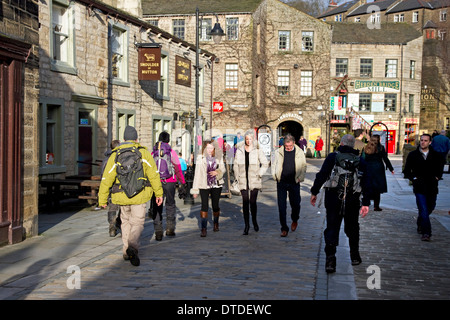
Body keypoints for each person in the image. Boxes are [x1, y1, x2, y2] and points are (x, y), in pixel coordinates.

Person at [98, 126, 163, 266]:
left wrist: (102, 199)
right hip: (140, 194)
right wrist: (159, 193)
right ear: (136, 139)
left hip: (121, 195)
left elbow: (106, 178)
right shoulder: (143, 153)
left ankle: (125, 250)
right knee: (138, 222)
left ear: (123, 139)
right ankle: (132, 246)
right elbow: (153, 175)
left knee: (125, 222)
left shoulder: (115, 154)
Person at [310, 134, 370, 273]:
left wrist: (314, 192)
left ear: (341, 144)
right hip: (352, 199)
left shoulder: (333, 157)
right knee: (353, 227)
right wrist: (366, 203)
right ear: (353, 145)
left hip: (333, 198)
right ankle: (355, 256)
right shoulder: (360, 160)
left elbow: (322, 175)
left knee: (332, 227)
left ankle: (330, 260)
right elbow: (367, 183)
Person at [403, 134, 444, 241]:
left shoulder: (436, 155)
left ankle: (420, 222)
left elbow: (440, 169)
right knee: (424, 209)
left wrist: (437, 177)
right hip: (419, 187)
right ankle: (426, 233)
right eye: (421, 140)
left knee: (430, 207)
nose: (423, 142)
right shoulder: (413, 155)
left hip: (432, 186)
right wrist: (414, 178)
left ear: (430, 142)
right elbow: (406, 171)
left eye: (425, 140)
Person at [150, 132, 186, 241]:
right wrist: (182, 182)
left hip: (156, 182)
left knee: (157, 206)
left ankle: (158, 231)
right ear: (168, 140)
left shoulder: (153, 153)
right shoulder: (171, 152)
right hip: (169, 182)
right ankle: (170, 228)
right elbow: (178, 169)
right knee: (170, 204)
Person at [233, 130, 270, 235]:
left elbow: (265, 164)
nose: (248, 141)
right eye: (247, 139)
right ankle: (246, 225)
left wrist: (260, 173)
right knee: (245, 202)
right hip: (243, 179)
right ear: (244, 139)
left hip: (254, 179)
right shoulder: (240, 150)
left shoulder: (257, 151)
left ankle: (254, 220)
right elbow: (235, 165)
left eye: (250, 139)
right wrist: (237, 176)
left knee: (252, 202)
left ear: (253, 139)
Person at [272, 133, 307, 237]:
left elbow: (303, 166)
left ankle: (295, 219)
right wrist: (275, 176)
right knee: (281, 206)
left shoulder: (300, 152)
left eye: (290, 146)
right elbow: (273, 164)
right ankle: (284, 228)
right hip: (281, 182)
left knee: (296, 204)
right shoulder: (277, 152)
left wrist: (301, 177)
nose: (288, 148)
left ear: (294, 143)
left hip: (294, 182)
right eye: (286, 146)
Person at [191, 140, 226, 237]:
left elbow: (223, 169)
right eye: (208, 148)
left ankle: (216, 223)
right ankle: (203, 228)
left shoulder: (218, 157)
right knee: (204, 206)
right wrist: (195, 189)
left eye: (211, 148)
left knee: (215, 205)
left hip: (216, 184)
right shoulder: (200, 158)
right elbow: (197, 174)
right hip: (204, 184)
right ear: (204, 148)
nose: (209, 150)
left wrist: (217, 172)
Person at [361, 136, 394, 211]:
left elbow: (363, 158)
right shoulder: (381, 148)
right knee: (377, 188)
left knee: (368, 186)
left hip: (368, 168)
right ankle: (376, 206)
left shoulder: (366, 147)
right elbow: (385, 158)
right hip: (378, 169)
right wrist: (391, 168)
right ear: (378, 140)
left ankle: (367, 203)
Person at [101, 139, 121, 237]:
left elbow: (103, 175)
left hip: (110, 186)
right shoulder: (120, 158)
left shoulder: (106, 159)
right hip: (119, 186)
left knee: (112, 207)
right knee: (122, 206)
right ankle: (118, 223)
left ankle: (112, 226)